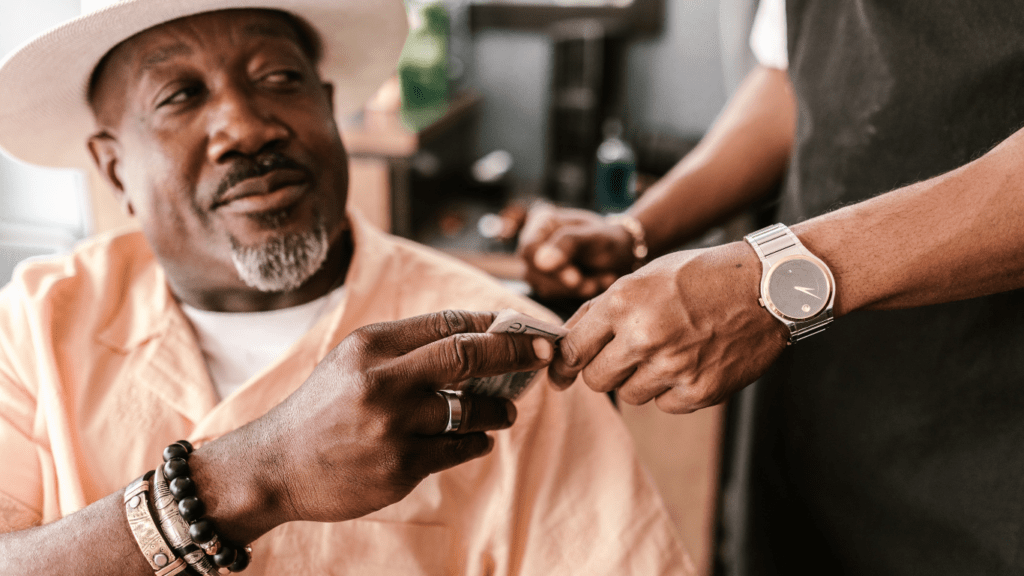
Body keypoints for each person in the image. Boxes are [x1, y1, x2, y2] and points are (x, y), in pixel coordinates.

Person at [0, 1, 691, 574]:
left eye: (278, 78)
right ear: (113, 167)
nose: (245, 127)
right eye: (180, 95)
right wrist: (256, 476)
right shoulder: (35, 323)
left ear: (329, 108)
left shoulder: (498, 354)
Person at [520, 0, 1024, 574]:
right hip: (818, 413)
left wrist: (775, 281)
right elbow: (795, 76)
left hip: (994, 440)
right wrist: (637, 230)